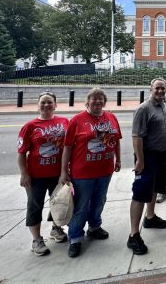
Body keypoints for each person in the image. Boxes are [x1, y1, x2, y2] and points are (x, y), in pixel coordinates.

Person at [60, 88, 122, 258]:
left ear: (104, 102)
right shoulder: (77, 120)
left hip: (105, 170)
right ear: (87, 102)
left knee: (99, 201)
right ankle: (75, 237)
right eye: (94, 99)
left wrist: (118, 159)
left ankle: (94, 227)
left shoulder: (111, 117)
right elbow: (67, 147)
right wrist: (64, 171)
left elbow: (116, 140)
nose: (97, 102)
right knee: (80, 206)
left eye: (100, 99)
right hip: (82, 173)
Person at [17, 92, 69, 256]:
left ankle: (56, 228)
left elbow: (69, 147)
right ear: (38, 105)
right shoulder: (30, 126)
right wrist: (24, 173)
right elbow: (21, 153)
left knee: (59, 203)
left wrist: (67, 171)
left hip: (58, 173)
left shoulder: (64, 122)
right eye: (43, 102)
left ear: (55, 105)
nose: (46, 105)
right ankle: (37, 240)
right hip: (36, 175)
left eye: (50, 102)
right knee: (34, 206)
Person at [127, 78, 166, 255]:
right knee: (140, 193)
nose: (160, 91)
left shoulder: (163, 105)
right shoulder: (143, 109)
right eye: (157, 88)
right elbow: (137, 136)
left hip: (162, 155)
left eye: (163, 88)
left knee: (155, 188)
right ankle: (133, 234)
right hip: (148, 156)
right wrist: (140, 160)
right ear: (151, 89)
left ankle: (150, 217)